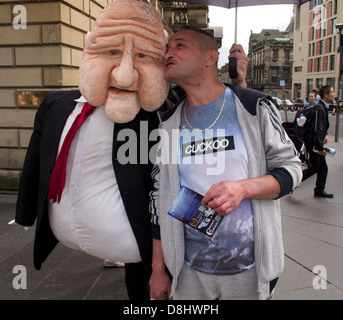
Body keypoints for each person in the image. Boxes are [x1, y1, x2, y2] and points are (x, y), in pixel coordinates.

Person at [14, 1, 249, 300]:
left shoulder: (167, 112)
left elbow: (208, 112)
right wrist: (25, 214)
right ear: (88, 48)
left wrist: (237, 80)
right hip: (73, 234)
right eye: (111, 52)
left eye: (143, 56)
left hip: (144, 248)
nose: (124, 74)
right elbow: (36, 161)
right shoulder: (56, 105)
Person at [149, 27, 302, 300]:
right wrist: (159, 269)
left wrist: (243, 189)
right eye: (167, 49)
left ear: (210, 58)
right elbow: (160, 199)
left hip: (249, 272)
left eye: (179, 46)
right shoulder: (168, 124)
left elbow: (292, 168)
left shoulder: (253, 108)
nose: (168, 54)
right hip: (189, 274)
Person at [302, 85, 335, 198]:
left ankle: (319, 190)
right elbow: (316, 130)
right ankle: (292, 182)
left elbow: (321, 127)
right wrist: (320, 148)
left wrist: (325, 135)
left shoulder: (322, 107)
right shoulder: (320, 108)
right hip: (313, 143)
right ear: (326, 95)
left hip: (315, 142)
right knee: (313, 168)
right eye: (332, 92)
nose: (334, 94)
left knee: (322, 168)